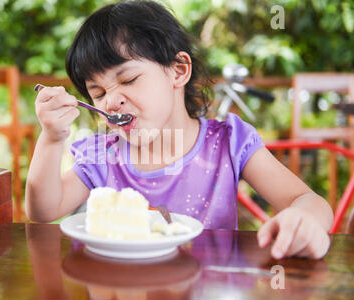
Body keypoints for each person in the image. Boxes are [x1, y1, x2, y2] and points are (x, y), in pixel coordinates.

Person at [25, 0, 333, 260]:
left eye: (128, 80)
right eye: (98, 93)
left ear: (178, 71)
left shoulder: (227, 143)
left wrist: (304, 219)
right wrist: (52, 138)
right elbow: (43, 209)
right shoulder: (101, 154)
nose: (112, 101)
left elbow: (309, 202)